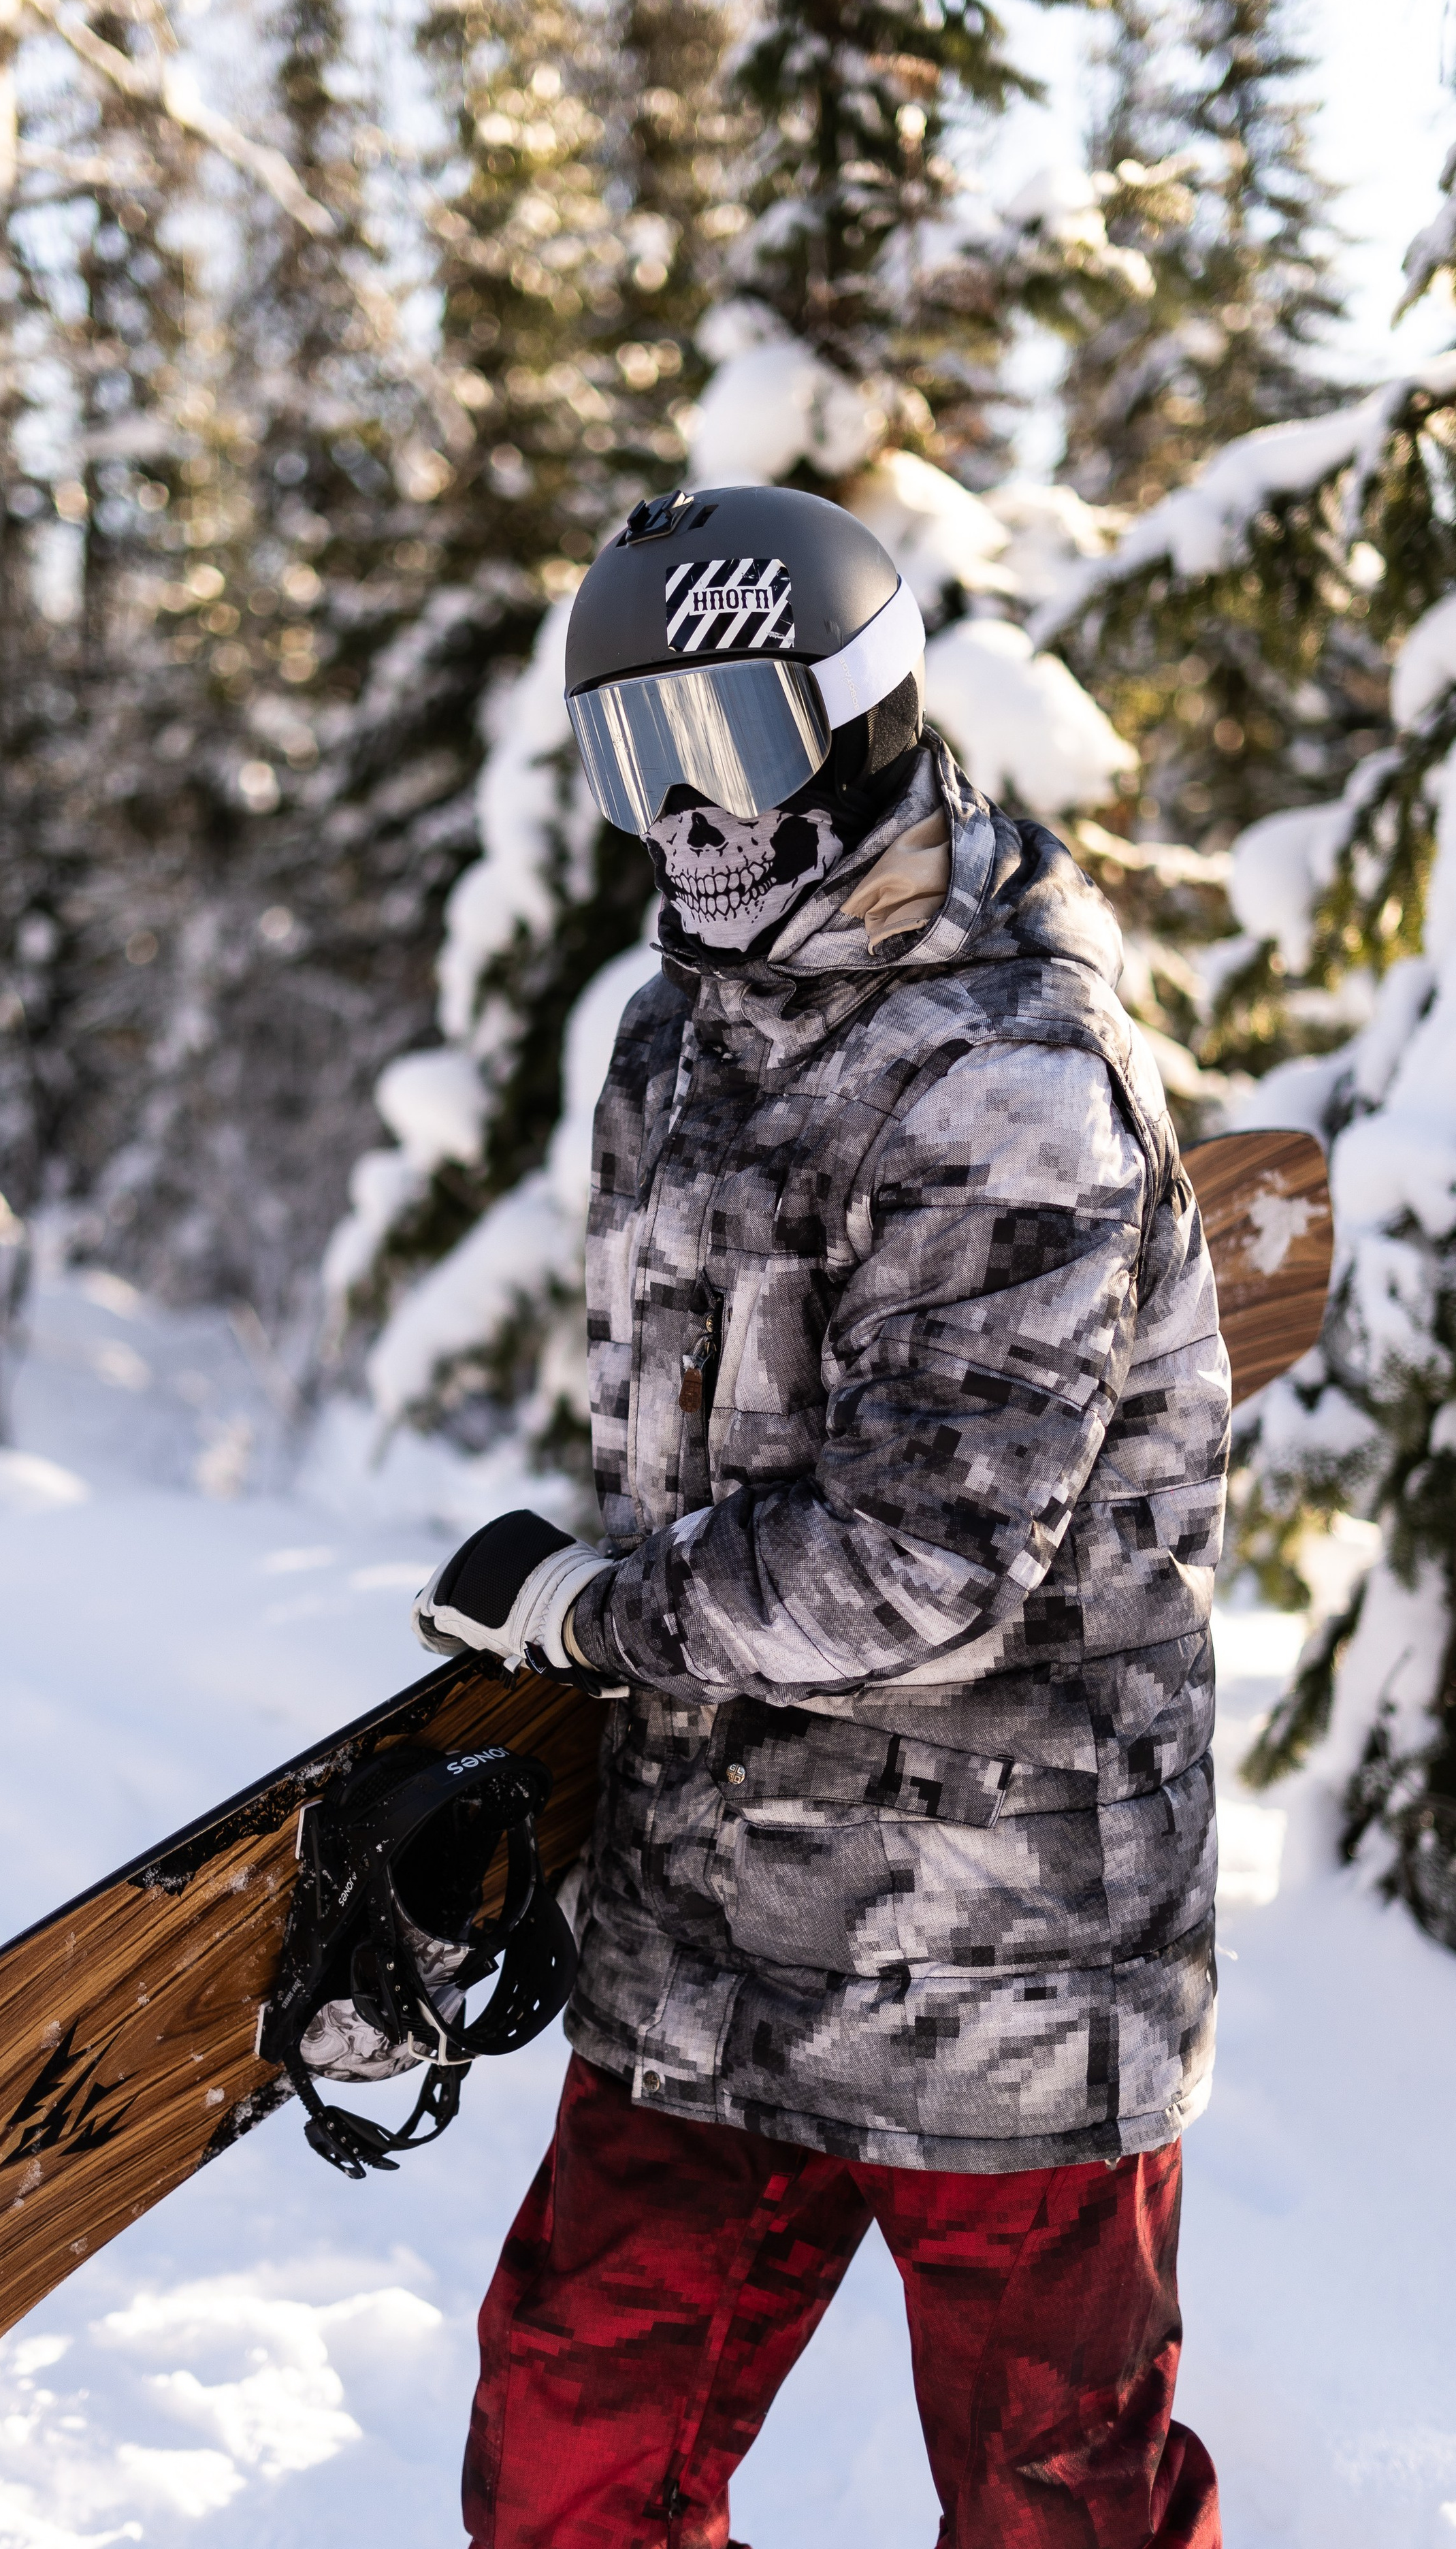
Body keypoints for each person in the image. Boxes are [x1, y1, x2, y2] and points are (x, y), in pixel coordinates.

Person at [412, 484, 1229, 2549]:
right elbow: (703, 1471)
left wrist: (596, 1620)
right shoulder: (673, 1037)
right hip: (711, 1955)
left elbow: (923, 1565)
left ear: (864, 721)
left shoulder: (1016, 1072)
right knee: (566, 2478)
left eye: (741, 744)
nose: (696, 818)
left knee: (1064, 2518)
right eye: (640, 758)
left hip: (1015, 1974)